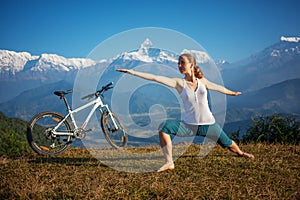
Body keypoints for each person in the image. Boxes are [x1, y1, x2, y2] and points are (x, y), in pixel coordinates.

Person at [117, 53, 254, 172]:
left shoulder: (202, 82)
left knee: (229, 144)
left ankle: (242, 153)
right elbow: (155, 78)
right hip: (189, 126)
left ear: (191, 65)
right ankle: (169, 162)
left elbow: (218, 87)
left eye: (182, 63)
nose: (179, 65)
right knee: (163, 129)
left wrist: (232, 93)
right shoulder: (178, 83)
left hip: (209, 125)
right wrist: (133, 72)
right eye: (178, 63)